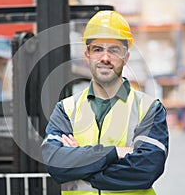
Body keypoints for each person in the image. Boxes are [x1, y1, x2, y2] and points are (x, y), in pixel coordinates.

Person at [42, 10, 169, 195]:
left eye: (114, 50)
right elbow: (54, 162)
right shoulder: (66, 109)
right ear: (87, 55)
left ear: (126, 57)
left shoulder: (149, 109)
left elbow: (146, 170)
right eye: (98, 49)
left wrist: (80, 166)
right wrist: (114, 153)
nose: (105, 58)